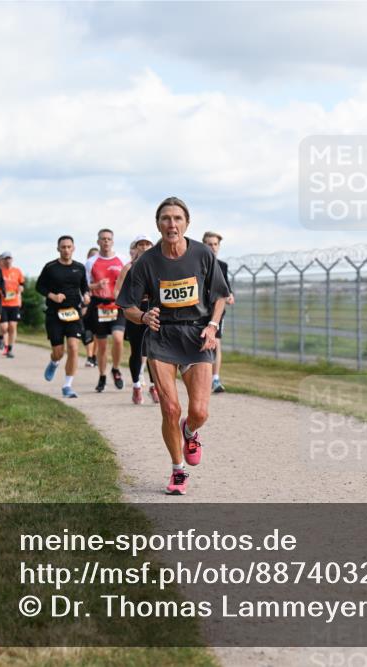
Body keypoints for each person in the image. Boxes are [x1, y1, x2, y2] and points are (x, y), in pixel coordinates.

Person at [117, 197, 230, 495]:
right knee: (170, 407)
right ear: (158, 224)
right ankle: (178, 470)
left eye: (177, 218)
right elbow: (127, 305)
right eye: (165, 218)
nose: (171, 224)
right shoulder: (146, 262)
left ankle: (189, 431)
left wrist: (212, 325)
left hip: (196, 335)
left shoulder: (202, 254)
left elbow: (220, 295)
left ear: (186, 223)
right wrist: (143, 316)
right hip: (162, 336)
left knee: (199, 412)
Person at [36, 235, 90, 398]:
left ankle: (67, 386)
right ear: (58, 249)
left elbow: (84, 287)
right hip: (54, 314)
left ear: (73, 248)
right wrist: (53, 296)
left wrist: (86, 295)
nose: (66, 250)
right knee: (59, 352)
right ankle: (54, 361)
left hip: (73, 313)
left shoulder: (79, 268)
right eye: (63, 247)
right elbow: (39, 286)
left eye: (69, 247)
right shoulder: (50, 267)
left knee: (73, 347)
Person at [115, 235, 161, 405]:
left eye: (147, 244)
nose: (144, 247)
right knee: (137, 350)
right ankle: (136, 386)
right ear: (135, 248)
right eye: (140, 244)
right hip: (135, 312)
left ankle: (154, 386)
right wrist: (127, 307)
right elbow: (118, 291)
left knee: (153, 350)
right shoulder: (129, 267)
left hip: (154, 310)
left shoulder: (158, 265)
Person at [86, 229, 126, 392]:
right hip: (99, 306)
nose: (106, 241)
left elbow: (129, 281)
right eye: (103, 239)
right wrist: (96, 286)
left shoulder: (122, 259)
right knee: (101, 346)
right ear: (98, 242)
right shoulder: (91, 262)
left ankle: (115, 369)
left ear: (113, 241)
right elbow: (85, 285)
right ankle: (102, 376)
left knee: (118, 338)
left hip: (117, 306)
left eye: (109, 239)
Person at [202, 231, 235, 393]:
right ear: (204, 245)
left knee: (216, 343)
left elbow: (226, 288)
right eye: (210, 244)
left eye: (215, 244)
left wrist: (230, 296)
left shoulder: (222, 266)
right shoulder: (198, 263)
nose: (213, 247)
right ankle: (202, 377)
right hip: (200, 311)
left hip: (217, 312)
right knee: (201, 344)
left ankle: (215, 379)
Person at [0, 251, 25, 358]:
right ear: (3, 260)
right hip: (2, 303)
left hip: (14, 303)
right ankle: (0, 337)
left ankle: (9, 349)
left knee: (12, 326)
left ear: (12, 260)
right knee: (4, 327)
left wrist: (21, 288)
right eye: (6, 258)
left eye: (9, 258)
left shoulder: (17, 271)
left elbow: (22, 284)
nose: (8, 260)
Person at [83, 246, 99, 368]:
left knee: (98, 334)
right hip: (86, 304)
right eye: (92, 256)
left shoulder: (102, 270)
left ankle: (94, 356)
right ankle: (89, 356)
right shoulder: (84, 270)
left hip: (99, 304)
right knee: (88, 332)